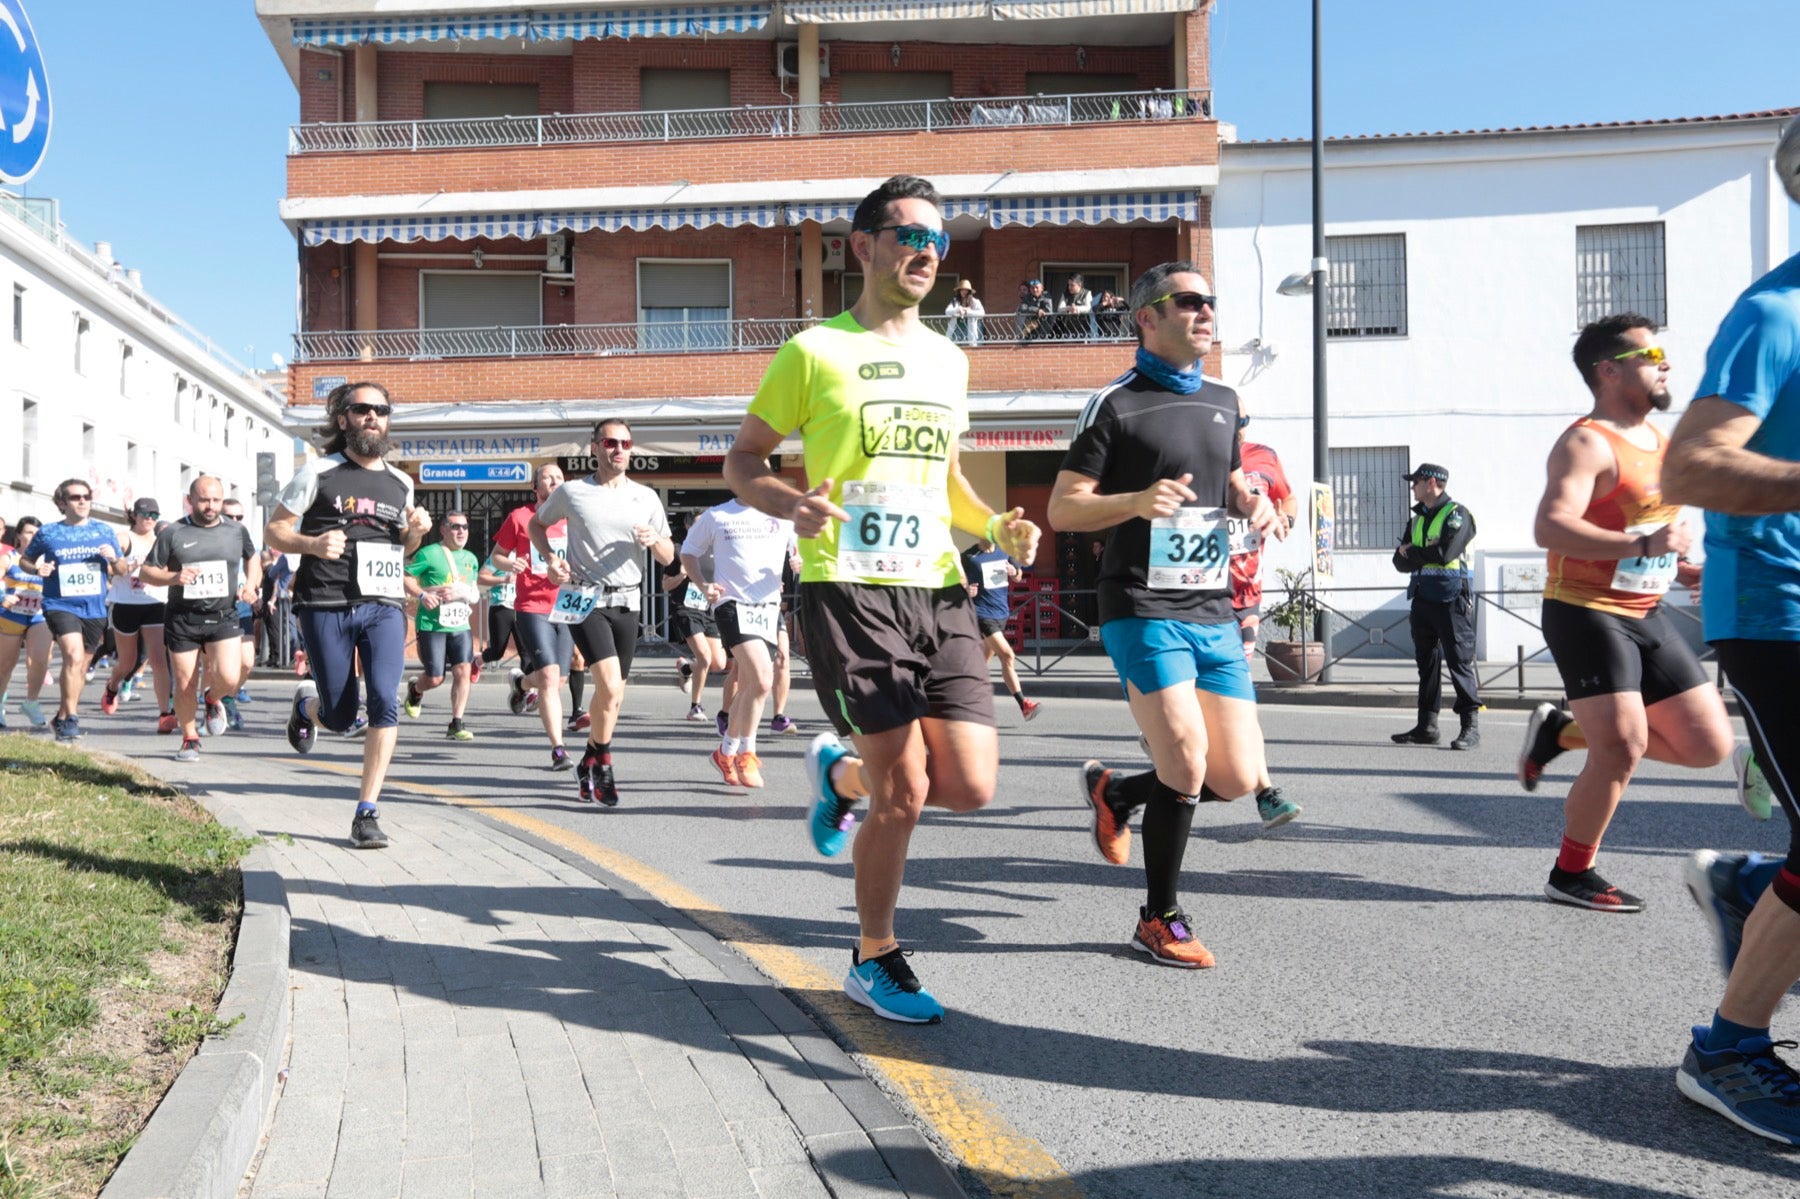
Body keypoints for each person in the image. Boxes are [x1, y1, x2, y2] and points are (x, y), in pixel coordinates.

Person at [724, 174, 1040, 1023]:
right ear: (862, 247)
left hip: (937, 588)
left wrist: (996, 528)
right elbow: (742, 460)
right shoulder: (813, 351)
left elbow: (946, 483)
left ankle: (839, 770)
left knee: (969, 785)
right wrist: (791, 503)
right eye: (907, 235)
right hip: (848, 587)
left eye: (937, 240)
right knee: (904, 793)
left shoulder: (949, 357)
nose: (925, 252)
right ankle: (874, 954)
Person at [1049, 261, 1284, 969]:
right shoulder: (1115, 404)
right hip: (1141, 604)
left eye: (1210, 301)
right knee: (1185, 756)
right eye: (1188, 301)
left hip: (1212, 605)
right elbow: (1064, 508)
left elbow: (1231, 478)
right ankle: (1161, 916)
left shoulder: (1224, 398)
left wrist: (1254, 501)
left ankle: (1117, 791)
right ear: (1147, 317)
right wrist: (1135, 500)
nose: (1205, 311)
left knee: (1237, 776)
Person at [1661, 111, 1800, 1146]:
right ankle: (1729, 1051)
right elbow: (1690, 466)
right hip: (1779, 610)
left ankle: (1755, 884)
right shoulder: (1777, 311)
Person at [1516, 314, 1733, 911]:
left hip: (1645, 608)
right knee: (1623, 747)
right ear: (1608, 371)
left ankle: (1562, 732)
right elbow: (1550, 525)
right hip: (1585, 610)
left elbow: (1642, 529)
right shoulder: (1586, 441)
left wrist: (1677, 568)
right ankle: (1571, 873)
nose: (1665, 363)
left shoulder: (1660, 443)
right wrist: (1644, 547)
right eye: (1651, 354)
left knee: (1707, 745)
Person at [265, 382, 431, 848]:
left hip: (382, 605)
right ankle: (306, 705)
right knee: (339, 717)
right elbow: (275, 530)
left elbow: (401, 550)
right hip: (325, 601)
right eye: (362, 410)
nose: (372, 417)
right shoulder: (318, 473)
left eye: (381, 409)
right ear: (344, 420)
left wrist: (415, 533)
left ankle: (367, 813)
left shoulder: (401, 483)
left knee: (383, 699)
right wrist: (312, 544)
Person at [532, 419, 675, 806]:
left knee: (613, 696)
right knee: (609, 686)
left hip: (629, 600)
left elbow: (668, 555)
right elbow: (536, 524)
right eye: (611, 442)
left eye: (626, 443)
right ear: (595, 447)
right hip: (585, 598)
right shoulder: (573, 492)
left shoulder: (645, 498)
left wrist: (655, 540)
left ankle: (587, 760)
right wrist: (551, 560)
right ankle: (605, 765)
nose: (619, 449)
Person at [139, 477, 262, 762]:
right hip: (184, 618)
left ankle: (211, 699)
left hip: (224, 615)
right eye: (204, 500)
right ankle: (190, 738)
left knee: (230, 678)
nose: (211, 506)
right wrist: (174, 577)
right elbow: (146, 572)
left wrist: (251, 586)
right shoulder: (173, 533)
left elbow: (253, 558)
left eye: (216, 500)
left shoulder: (236, 531)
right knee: (184, 683)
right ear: (190, 500)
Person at [682, 493, 798, 788]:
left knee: (748, 687)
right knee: (761, 681)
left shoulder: (783, 514)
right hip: (731, 604)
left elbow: (800, 550)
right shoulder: (717, 515)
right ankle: (748, 753)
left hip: (769, 607)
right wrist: (703, 584)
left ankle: (725, 752)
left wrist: (799, 560)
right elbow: (688, 552)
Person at [1229, 407, 1303, 829]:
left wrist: (1286, 517)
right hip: (1197, 596)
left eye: (1239, 419)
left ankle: (1265, 793)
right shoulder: (1198, 455)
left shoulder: (1264, 457)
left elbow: (1287, 496)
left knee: (1241, 698)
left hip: (1246, 596)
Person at [22, 479, 126, 743]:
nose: (82, 501)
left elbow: (123, 569)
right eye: (76, 497)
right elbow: (25, 560)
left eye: (87, 497)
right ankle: (71, 718)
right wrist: (37, 569)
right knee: (72, 654)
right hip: (60, 604)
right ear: (61, 503)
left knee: (79, 667)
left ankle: (60, 715)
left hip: (93, 608)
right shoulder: (48, 533)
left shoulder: (103, 530)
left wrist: (114, 558)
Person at [1389, 463, 1482, 750]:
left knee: (1459, 661)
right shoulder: (1417, 520)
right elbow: (1398, 562)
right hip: (1422, 598)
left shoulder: (1458, 514)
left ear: (1431, 483)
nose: (1412, 487)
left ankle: (1471, 728)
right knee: (1426, 664)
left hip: (1450, 597)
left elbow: (1445, 553)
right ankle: (1427, 726)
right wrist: (1413, 554)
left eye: (1415, 482)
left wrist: (1412, 553)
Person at [490, 465, 575, 772]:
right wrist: (512, 563)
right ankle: (559, 750)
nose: (555, 482)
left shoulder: (572, 519)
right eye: (548, 478)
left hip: (566, 607)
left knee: (559, 679)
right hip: (532, 607)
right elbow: (497, 555)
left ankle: (522, 684)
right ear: (535, 486)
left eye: (560, 479)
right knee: (551, 678)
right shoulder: (520, 517)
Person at [402, 511, 480, 741]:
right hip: (432, 624)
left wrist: (465, 592)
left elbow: (474, 592)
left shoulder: (471, 559)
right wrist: (423, 594)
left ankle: (456, 723)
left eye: (465, 527)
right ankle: (416, 689)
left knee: (463, 671)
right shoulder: (429, 553)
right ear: (443, 529)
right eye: (455, 527)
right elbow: (405, 577)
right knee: (436, 678)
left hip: (460, 625)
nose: (461, 532)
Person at [100, 497, 173, 730]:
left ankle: (165, 713)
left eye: (154, 515)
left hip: (155, 603)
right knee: (128, 662)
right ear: (134, 515)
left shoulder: (162, 540)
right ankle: (112, 686)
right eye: (145, 515)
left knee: (159, 659)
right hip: (126, 604)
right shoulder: (124, 538)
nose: (150, 519)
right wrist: (130, 566)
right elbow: (111, 569)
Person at [959, 536, 1040, 721]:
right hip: (982, 614)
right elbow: (957, 580)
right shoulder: (969, 557)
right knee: (1008, 655)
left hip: (1001, 613)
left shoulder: (1005, 551)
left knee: (982, 664)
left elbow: (1018, 577)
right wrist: (965, 589)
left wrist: (1013, 571)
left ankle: (965, 704)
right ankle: (1024, 705)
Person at [0, 516, 51, 729]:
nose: (33, 537)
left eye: (37, 533)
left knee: (40, 659)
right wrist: (3, 597)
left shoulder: (47, 560)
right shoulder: (8, 558)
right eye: (29, 532)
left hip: (38, 616)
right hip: (10, 615)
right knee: (5, 665)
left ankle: (31, 702)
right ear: (19, 535)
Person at [663, 554, 724, 723]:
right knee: (704, 657)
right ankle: (695, 707)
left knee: (718, 664)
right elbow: (665, 585)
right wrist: (682, 575)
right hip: (686, 609)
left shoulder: (717, 549)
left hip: (708, 610)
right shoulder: (679, 551)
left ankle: (686, 669)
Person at [221, 497, 259, 711]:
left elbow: (254, 562)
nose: (235, 520)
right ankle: (213, 701)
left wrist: (252, 587)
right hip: (214, 608)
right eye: (229, 516)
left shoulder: (245, 537)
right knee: (211, 666)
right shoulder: (208, 537)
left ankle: (227, 698)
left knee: (246, 662)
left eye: (239, 517)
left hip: (241, 607)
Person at [944, 281, 983, 347]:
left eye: (966, 290)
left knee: (968, 349)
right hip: (956, 329)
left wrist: (967, 312)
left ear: (969, 291)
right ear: (959, 291)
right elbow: (947, 312)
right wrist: (958, 309)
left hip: (969, 329)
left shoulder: (975, 302)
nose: (964, 291)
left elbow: (982, 313)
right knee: (954, 348)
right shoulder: (955, 301)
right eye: (962, 289)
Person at [1056, 273, 1094, 340]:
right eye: (1069, 285)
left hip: (1084, 329)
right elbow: (1059, 309)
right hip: (1067, 330)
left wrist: (1077, 309)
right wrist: (1069, 308)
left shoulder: (1087, 293)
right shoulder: (1065, 294)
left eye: (1072, 285)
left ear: (1080, 285)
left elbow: (1089, 308)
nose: (1069, 287)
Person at [1016, 278, 1052, 343]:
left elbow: (1048, 310)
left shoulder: (1046, 296)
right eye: (1032, 288)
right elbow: (1023, 308)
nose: (1035, 290)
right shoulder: (1027, 297)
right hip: (1029, 332)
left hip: (1043, 330)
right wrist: (1037, 310)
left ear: (1042, 288)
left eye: (1037, 288)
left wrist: (1040, 311)